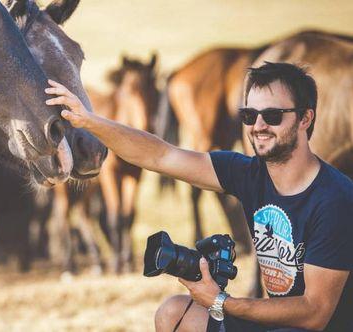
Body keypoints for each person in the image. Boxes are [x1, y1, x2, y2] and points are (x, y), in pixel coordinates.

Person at [44, 62, 353, 331]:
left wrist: (222, 302)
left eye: (272, 115)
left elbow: (315, 312)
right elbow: (160, 156)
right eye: (249, 115)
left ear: (305, 119)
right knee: (174, 313)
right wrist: (89, 121)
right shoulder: (249, 173)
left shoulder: (334, 199)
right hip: (278, 323)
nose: (258, 127)